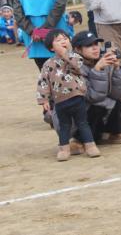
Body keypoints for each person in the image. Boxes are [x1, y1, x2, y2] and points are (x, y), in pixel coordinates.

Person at [37, 29, 101, 161]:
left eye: (65, 38)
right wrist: (44, 100)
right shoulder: (48, 64)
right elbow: (43, 82)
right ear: (51, 47)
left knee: (83, 123)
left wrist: (65, 53)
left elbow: (77, 65)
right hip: (60, 101)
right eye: (58, 40)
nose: (63, 41)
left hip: (77, 97)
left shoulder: (75, 57)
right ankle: (64, 149)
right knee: (64, 125)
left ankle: (90, 146)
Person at [72, 31, 121, 146]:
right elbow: (93, 97)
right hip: (76, 117)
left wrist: (117, 69)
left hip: (97, 108)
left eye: (96, 44)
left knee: (115, 101)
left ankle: (113, 133)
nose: (95, 48)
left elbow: (117, 94)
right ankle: (78, 138)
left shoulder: (102, 60)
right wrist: (98, 70)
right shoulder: (74, 67)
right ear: (78, 50)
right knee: (99, 104)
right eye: (89, 46)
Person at [14, 0, 68, 70]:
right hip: (57, 39)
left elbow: (18, 15)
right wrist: (43, 31)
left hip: (34, 41)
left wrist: (33, 31)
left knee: (44, 74)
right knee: (62, 75)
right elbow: (57, 12)